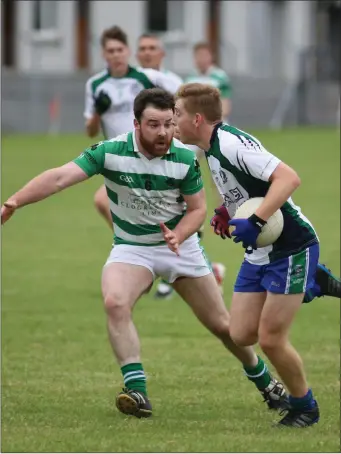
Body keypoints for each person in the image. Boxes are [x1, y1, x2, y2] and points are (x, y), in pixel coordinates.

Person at [1, 88, 289, 420]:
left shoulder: (184, 157)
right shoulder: (110, 151)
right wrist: (14, 201)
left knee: (224, 326)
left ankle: (267, 383)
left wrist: (179, 235)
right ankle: (136, 389)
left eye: (169, 123)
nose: (164, 132)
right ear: (136, 123)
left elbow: (198, 209)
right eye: (154, 124)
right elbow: (59, 178)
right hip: (132, 248)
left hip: (182, 250)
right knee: (115, 302)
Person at [174, 83, 341, 427]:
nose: (173, 121)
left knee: (271, 339)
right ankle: (314, 284)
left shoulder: (232, 143)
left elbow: (287, 178)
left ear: (197, 118)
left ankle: (305, 407)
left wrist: (256, 218)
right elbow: (249, 187)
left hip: (292, 247)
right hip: (259, 251)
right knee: (241, 333)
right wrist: (227, 209)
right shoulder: (210, 148)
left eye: (177, 115)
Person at [136, 33, 226, 299]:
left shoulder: (174, 83)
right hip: (136, 160)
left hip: (174, 153)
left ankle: (169, 271)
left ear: (162, 53)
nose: (147, 53)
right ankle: (170, 266)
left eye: (152, 48)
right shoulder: (128, 82)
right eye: (142, 48)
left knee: (180, 208)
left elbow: (184, 119)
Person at [84, 26, 182, 229]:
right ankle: (135, 242)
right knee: (113, 205)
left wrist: (175, 127)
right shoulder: (96, 84)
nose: (116, 55)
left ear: (128, 51)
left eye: (120, 50)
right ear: (104, 54)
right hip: (118, 157)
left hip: (149, 153)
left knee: (108, 200)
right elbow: (90, 131)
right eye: (111, 51)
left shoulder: (147, 77)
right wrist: (97, 111)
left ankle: (132, 242)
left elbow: (181, 97)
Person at [185, 42, 232, 121]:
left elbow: (225, 100)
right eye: (199, 55)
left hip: (215, 120)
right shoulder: (190, 79)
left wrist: (220, 119)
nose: (202, 59)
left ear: (211, 56)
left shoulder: (220, 77)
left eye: (205, 55)